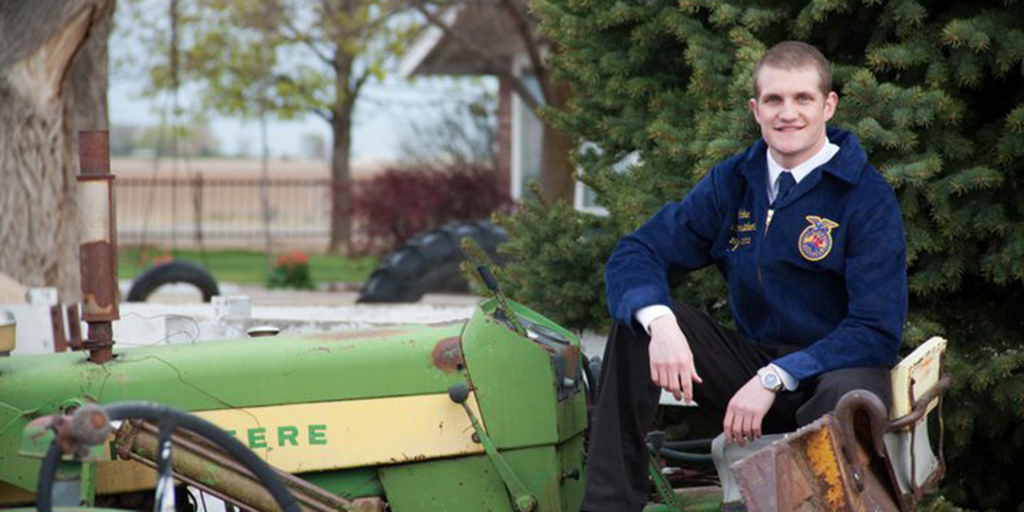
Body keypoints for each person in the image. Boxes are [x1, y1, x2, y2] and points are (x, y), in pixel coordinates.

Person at [581, 41, 907, 512]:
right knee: (637, 326)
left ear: (828, 105)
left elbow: (876, 331)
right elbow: (640, 249)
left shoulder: (865, 196)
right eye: (774, 100)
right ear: (756, 109)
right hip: (753, 363)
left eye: (803, 99)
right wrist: (661, 323)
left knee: (844, 395)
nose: (787, 113)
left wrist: (777, 377)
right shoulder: (735, 180)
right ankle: (608, 506)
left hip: (835, 372)